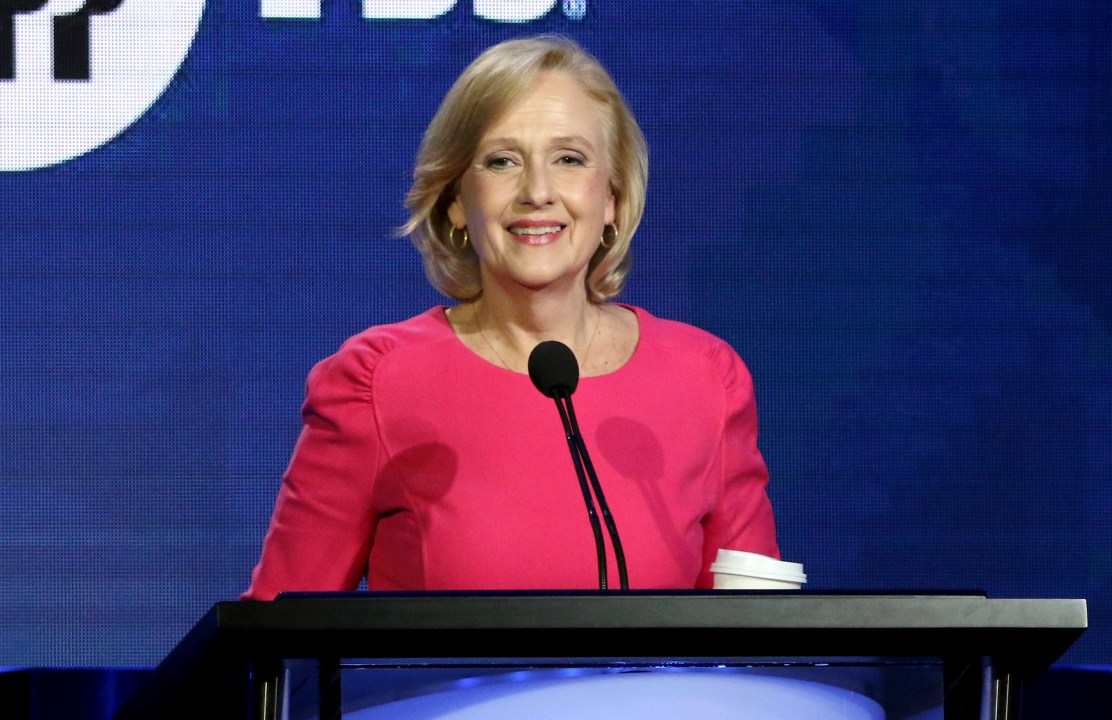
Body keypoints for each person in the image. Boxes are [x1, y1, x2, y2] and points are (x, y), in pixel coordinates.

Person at [242, 35, 778, 601]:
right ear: (455, 202)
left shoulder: (704, 378)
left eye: (569, 159)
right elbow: (277, 640)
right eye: (502, 162)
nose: (538, 193)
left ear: (614, 198)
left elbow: (758, 635)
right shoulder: (377, 381)